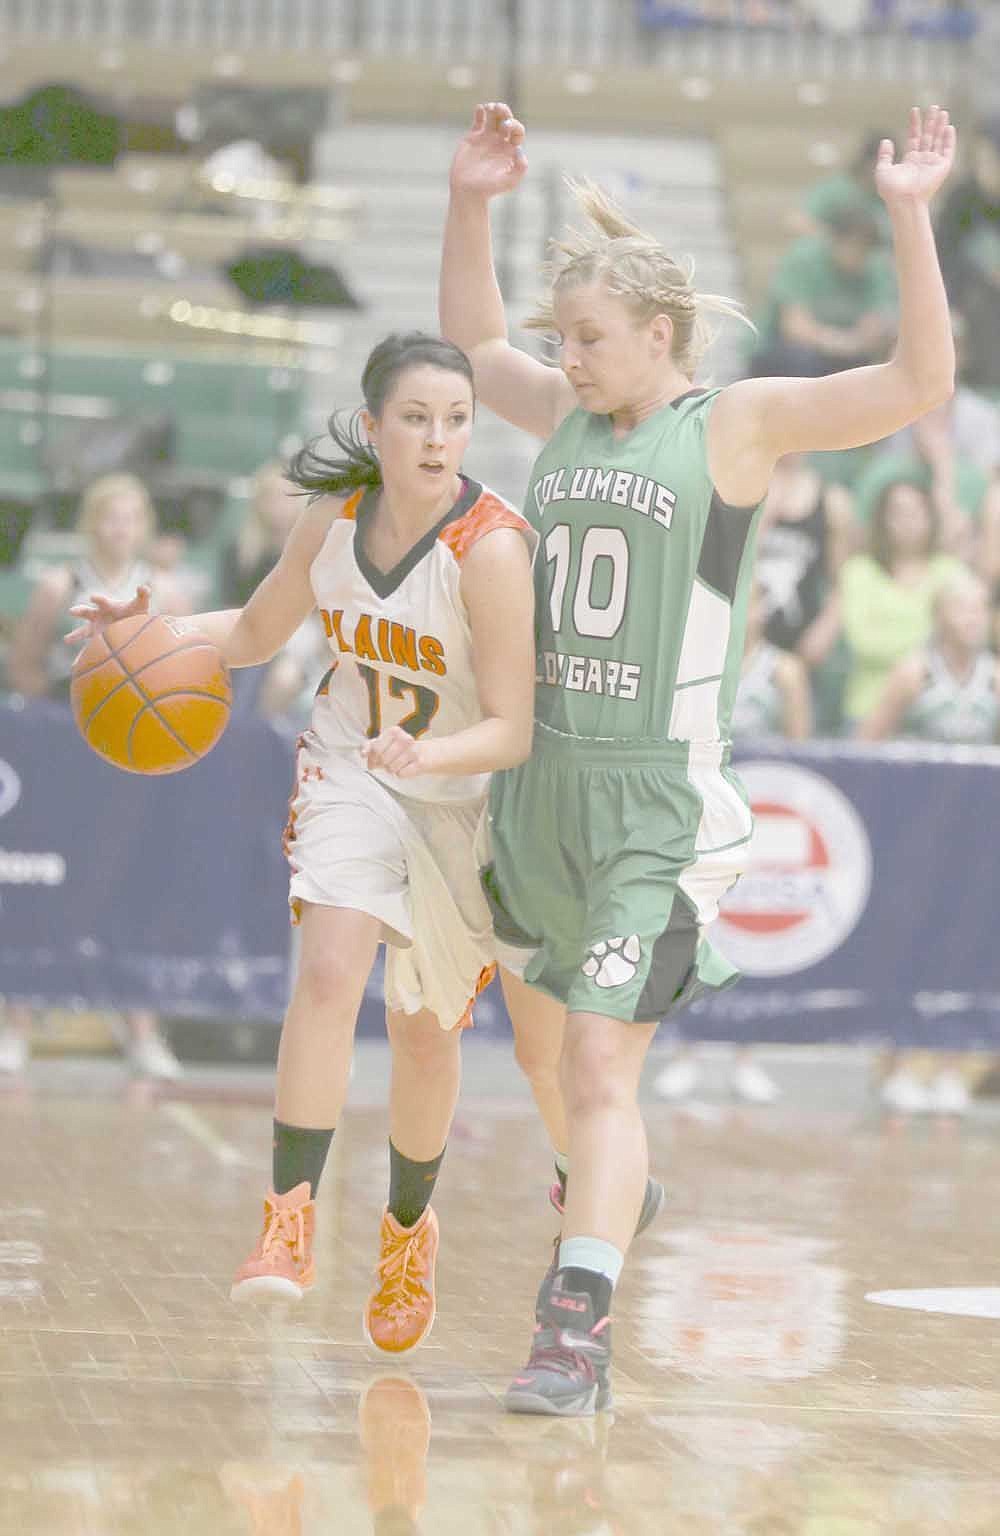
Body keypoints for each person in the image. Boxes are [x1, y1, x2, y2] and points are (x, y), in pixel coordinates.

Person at [440, 100, 956, 1415]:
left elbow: (915, 386)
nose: (573, 357)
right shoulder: (562, 406)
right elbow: (471, 341)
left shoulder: (738, 424)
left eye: (595, 337)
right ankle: (617, 1194)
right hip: (539, 785)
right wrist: (472, 201)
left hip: (656, 804)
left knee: (607, 1068)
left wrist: (908, 214)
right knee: (550, 1066)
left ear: (660, 335)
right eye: (569, 339)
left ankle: (576, 1324)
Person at [4, 472, 191, 1082]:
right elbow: (27, 664)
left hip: (135, 760)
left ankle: (141, 1030)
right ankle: (18, 1023)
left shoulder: (165, 589)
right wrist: (67, 723)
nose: (119, 528)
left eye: (130, 517)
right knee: (45, 878)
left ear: (145, 527)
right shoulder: (60, 585)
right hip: (65, 753)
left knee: (136, 882)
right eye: (108, 516)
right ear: (91, 523)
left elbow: (188, 671)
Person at [860, 568, 1000, 1117]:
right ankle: (895, 1061)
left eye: (981, 608)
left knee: (963, 947)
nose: (974, 618)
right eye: (963, 608)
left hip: (975, 837)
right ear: (941, 615)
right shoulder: (913, 674)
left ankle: (949, 1065)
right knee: (908, 945)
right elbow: (865, 746)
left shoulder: (992, 678)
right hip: (917, 835)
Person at [839, 478, 970, 729]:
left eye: (916, 511)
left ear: (931, 516)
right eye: (898, 512)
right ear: (882, 520)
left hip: (935, 715)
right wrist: (934, 643)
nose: (908, 521)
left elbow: (967, 636)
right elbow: (863, 641)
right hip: (868, 709)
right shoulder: (858, 571)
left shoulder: (951, 571)